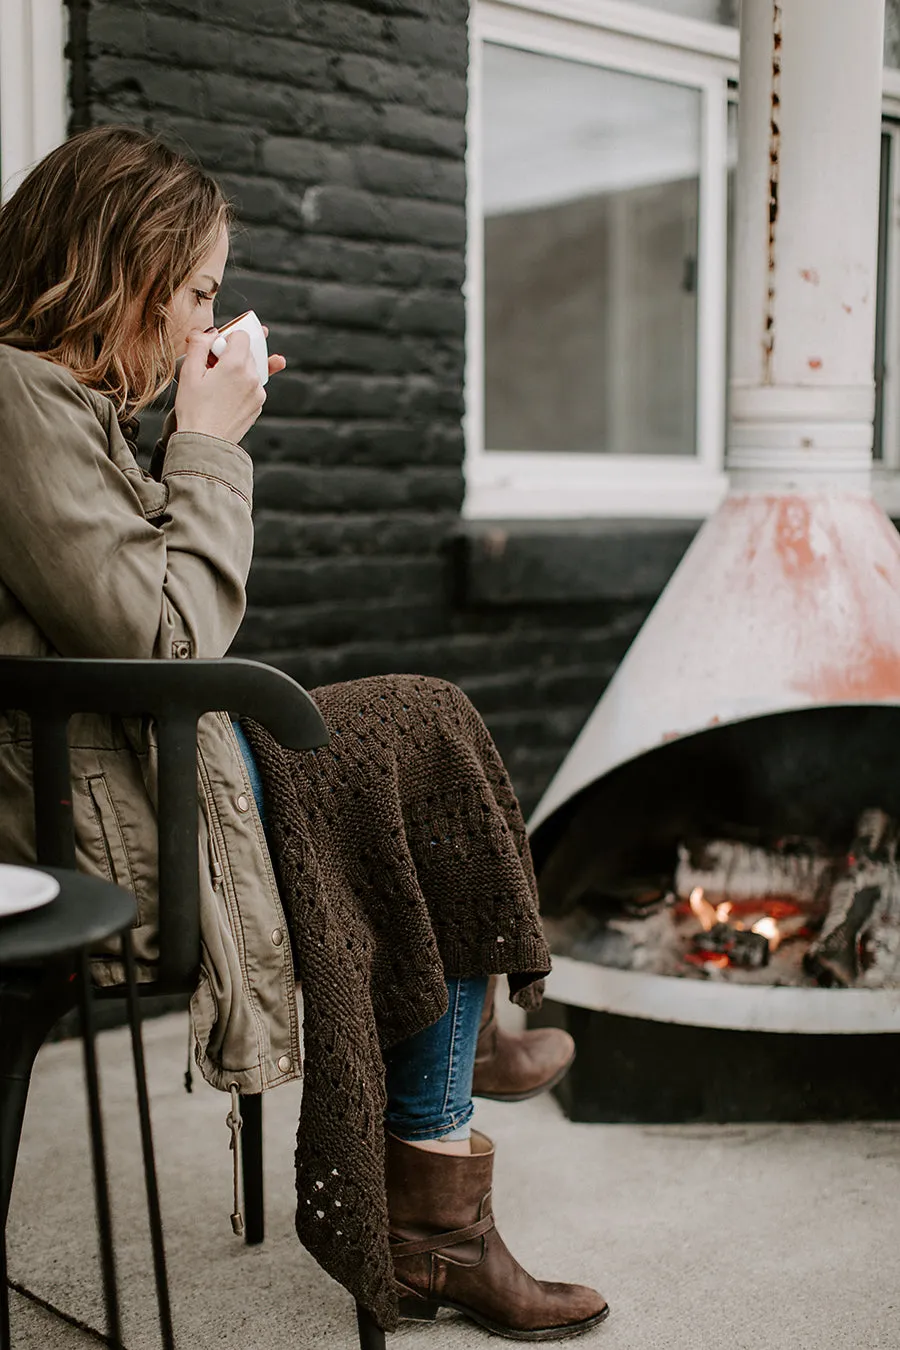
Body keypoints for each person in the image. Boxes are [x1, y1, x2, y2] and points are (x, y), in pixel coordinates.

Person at [0, 127, 607, 1341]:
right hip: (103, 814)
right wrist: (211, 443)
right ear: (119, 270)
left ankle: (452, 1091)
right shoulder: (15, 395)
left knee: (412, 728)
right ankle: (440, 1174)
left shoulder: (56, 407)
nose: (200, 327)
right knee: (410, 743)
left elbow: (171, 631)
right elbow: (169, 645)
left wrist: (192, 444)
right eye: (198, 294)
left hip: (141, 769)